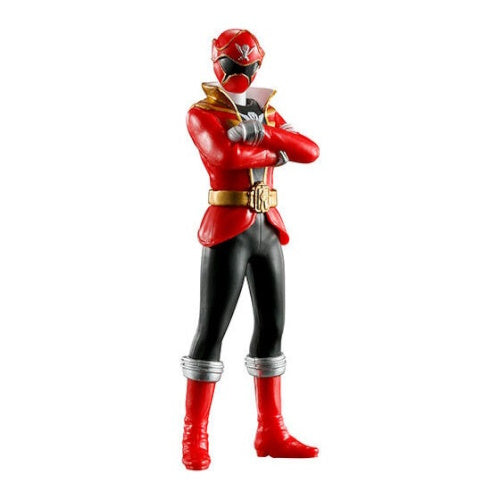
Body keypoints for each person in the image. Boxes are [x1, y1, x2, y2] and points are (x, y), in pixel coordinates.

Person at [181, 29, 320, 470]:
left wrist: (258, 134)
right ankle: (194, 435)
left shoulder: (267, 110)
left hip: (268, 228)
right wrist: (272, 147)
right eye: (232, 65)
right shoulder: (202, 113)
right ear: (217, 63)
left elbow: (310, 150)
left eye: (248, 65)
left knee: (272, 328)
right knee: (211, 331)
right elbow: (225, 157)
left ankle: (271, 430)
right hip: (227, 228)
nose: (241, 73)